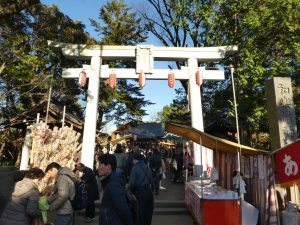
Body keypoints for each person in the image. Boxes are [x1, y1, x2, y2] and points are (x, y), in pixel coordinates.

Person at [98, 154, 133, 225]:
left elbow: (123, 208)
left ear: (108, 167)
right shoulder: (110, 181)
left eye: (100, 164)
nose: (98, 168)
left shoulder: (113, 184)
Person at [128, 153, 153, 225]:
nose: (132, 161)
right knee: (148, 212)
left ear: (136, 160)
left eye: (133, 160)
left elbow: (132, 183)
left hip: (140, 193)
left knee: (140, 213)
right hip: (149, 192)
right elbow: (151, 179)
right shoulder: (147, 167)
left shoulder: (135, 168)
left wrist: (129, 190)